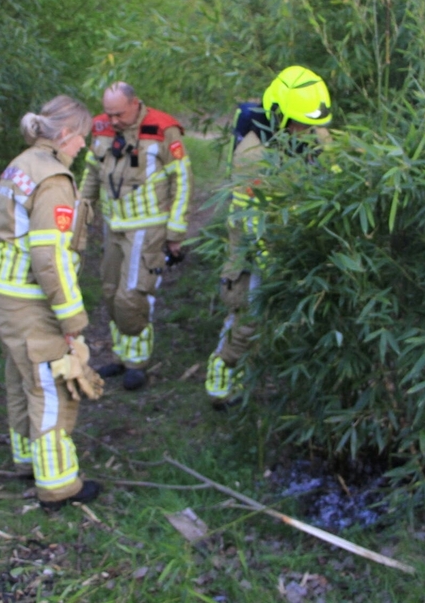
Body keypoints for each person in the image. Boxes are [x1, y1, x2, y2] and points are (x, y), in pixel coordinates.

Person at [0, 95, 105, 511]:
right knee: (53, 388)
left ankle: (26, 459)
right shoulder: (54, 179)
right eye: (82, 139)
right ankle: (58, 487)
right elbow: (49, 258)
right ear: (66, 134)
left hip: (2, 293)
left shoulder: (22, 163)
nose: (84, 148)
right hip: (29, 300)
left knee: (21, 377)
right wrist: (72, 318)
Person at [205, 66, 333, 408]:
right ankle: (220, 381)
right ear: (278, 114)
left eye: (311, 124)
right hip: (258, 247)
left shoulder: (314, 134)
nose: (307, 130)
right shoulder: (253, 154)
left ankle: (268, 379)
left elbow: (333, 178)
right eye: (300, 123)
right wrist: (274, 266)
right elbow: (250, 221)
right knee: (248, 318)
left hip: (296, 242)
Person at [81, 82, 192, 391]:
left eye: (119, 114)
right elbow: (91, 174)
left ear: (135, 104)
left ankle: (137, 364)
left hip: (148, 225)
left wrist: (176, 231)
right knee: (110, 290)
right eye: (108, 113)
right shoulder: (102, 129)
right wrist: (80, 214)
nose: (113, 120)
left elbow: (182, 181)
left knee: (132, 295)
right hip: (112, 224)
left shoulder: (163, 130)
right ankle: (122, 355)